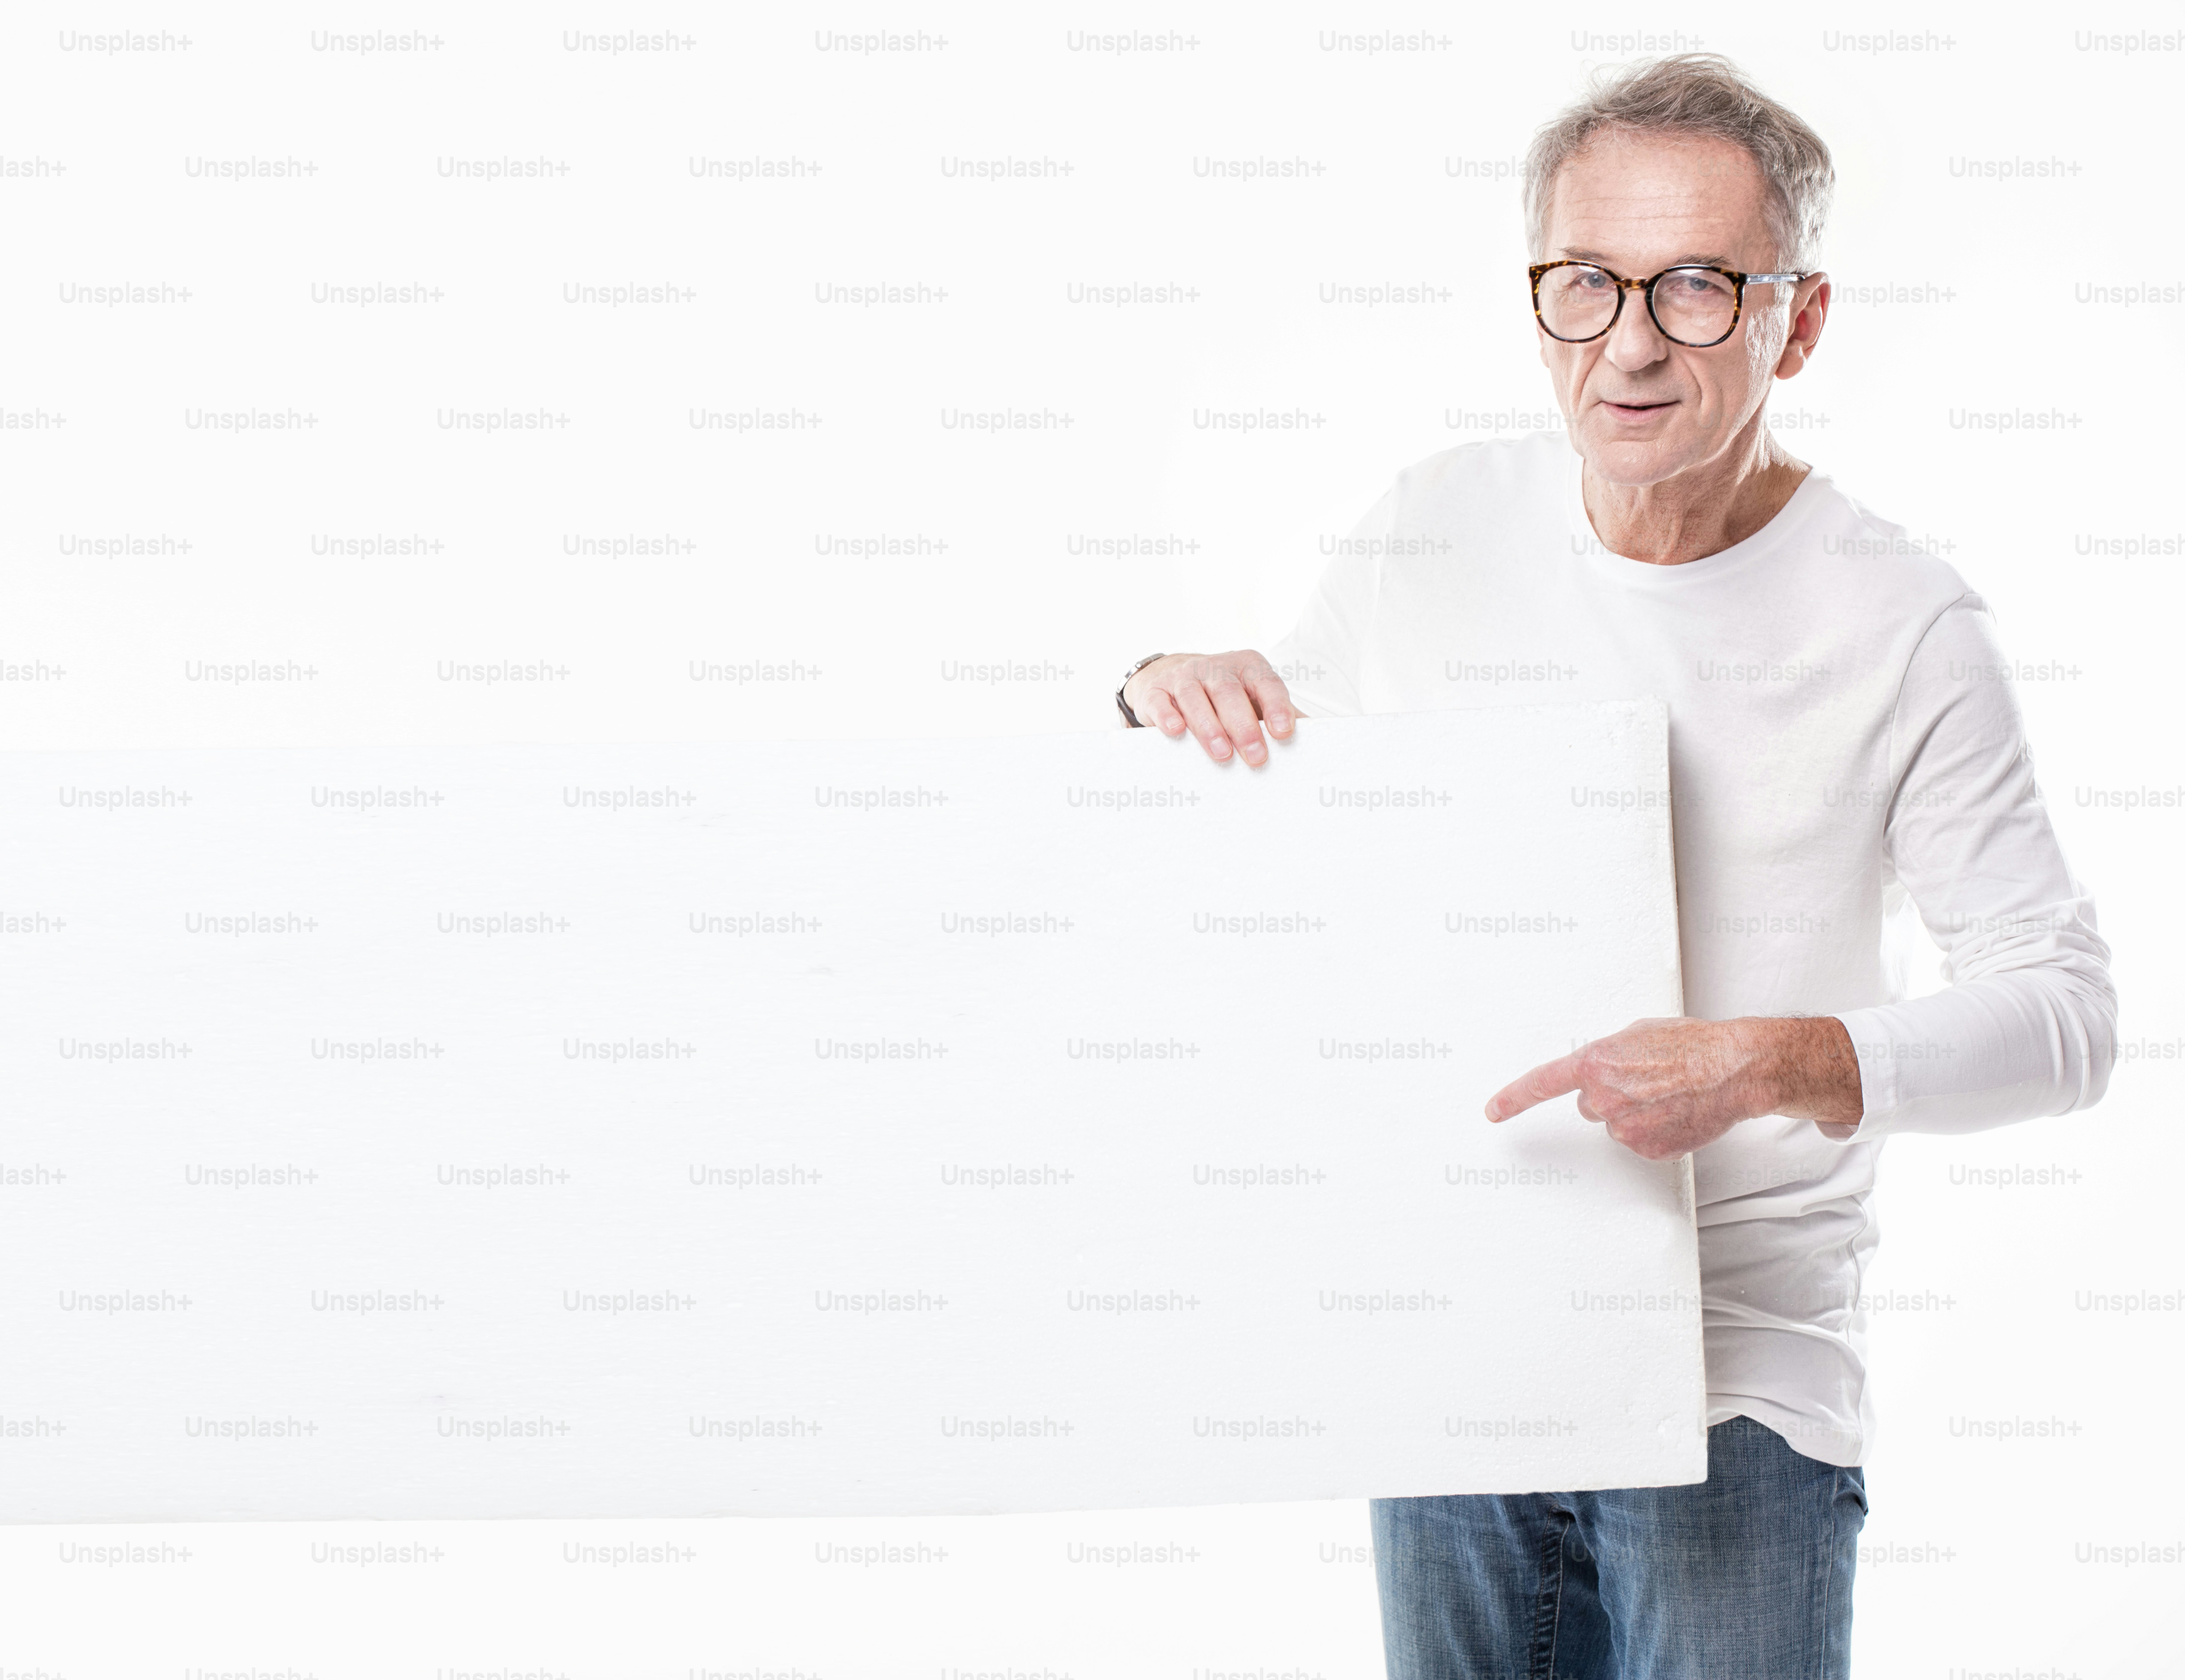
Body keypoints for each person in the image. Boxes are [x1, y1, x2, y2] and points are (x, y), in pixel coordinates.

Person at [1115, 53, 2115, 1680]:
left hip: (1737, 1385)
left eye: (1697, 287)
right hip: (1456, 1357)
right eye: (1585, 281)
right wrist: (1170, 688)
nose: (1630, 342)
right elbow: (1272, 780)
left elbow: (2065, 1018)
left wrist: (1765, 1063)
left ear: (1798, 322)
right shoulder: (1433, 524)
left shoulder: (1906, 625)